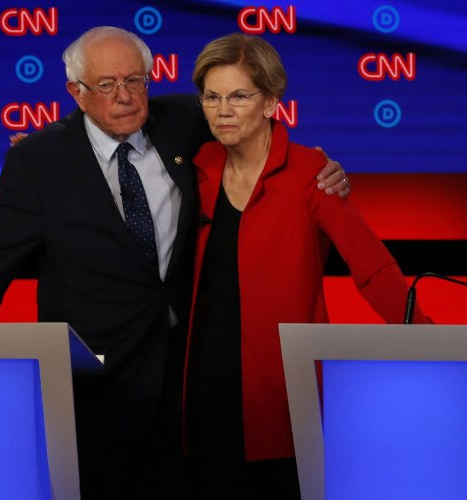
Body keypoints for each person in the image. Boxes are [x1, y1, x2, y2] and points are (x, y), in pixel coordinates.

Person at [0, 27, 348, 500]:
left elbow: (256, 134)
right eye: (106, 85)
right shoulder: (40, 161)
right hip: (97, 391)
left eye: (136, 81)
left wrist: (320, 164)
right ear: (76, 93)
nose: (125, 97)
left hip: (187, 381)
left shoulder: (185, 120)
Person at [181, 33, 432, 500]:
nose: (223, 111)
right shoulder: (194, 166)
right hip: (202, 386)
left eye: (239, 96)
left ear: (272, 102)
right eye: (212, 98)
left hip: (281, 390)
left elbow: (373, 269)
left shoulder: (310, 174)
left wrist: (435, 346)